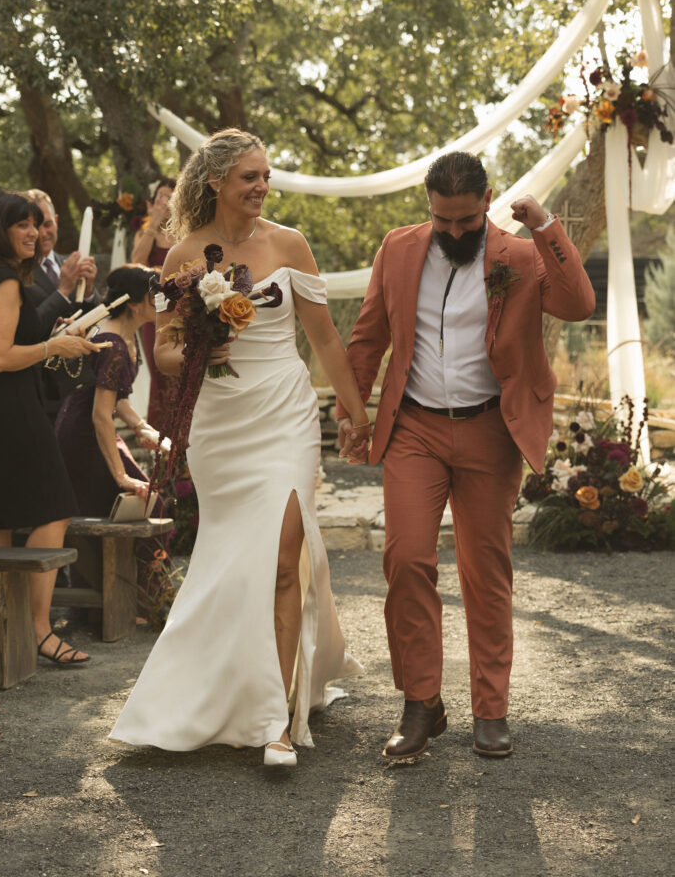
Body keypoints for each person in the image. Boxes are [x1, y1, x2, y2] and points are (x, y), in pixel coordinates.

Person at [109, 129, 368, 766]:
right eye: (248, 176)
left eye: (265, 175)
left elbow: (326, 341)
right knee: (233, 561)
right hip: (222, 423)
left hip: (284, 410)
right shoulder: (183, 255)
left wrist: (358, 413)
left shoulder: (290, 243)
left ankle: (276, 721)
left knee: (284, 557)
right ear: (215, 180)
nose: (260, 186)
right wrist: (200, 342)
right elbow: (164, 351)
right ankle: (212, 690)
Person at [336, 151, 596, 760]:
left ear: (487, 203)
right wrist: (353, 411)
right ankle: (421, 702)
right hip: (415, 430)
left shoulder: (523, 255)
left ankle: (491, 709)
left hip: (489, 431)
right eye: (442, 220)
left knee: (485, 573)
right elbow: (368, 335)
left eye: (465, 221)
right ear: (429, 207)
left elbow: (580, 303)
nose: (453, 232)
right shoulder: (398, 249)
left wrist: (546, 228)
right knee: (405, 559)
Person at [0, 190, 100, 666]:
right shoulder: (5, 282)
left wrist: (54, 336)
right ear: (1, 229)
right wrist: (54, 349)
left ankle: (5, 636)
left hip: (7, 408)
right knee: (55, 505)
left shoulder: (8, 279)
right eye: (22, 225)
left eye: (37, 224)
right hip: (12, 411)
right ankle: (38, 630)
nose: (34, 233)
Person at [55, 266, 165, 611]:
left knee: (146, 503)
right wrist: (120, 475)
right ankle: (145, 600)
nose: (161, 302)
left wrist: (141, 427)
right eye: (154, 297)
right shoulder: (114, 343)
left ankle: (126, 599)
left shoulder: (125, 335)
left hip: (91, 431)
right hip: (82, 439)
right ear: (134, 304)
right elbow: (100, 414)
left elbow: (116, 400)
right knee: (148, 502)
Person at [24, 189, 100, 421]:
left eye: (47, 224)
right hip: (43, 394)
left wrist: (88, 291)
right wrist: (63, 290)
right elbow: (28, 329)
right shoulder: (15, 272)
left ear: (56, 221)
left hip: (83, 384)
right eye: (35, 226)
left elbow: (95, 321)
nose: (42, 233)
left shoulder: (65, 262)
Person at [129, 179, 178, 432]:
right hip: (154, 313)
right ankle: (161, 439)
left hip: (182, 311)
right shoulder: (146, 230)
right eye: (159, 196)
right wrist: (153, 226)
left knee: (180, 373)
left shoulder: (185, 231)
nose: (162, 201)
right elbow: (136, 263)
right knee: (159, 371)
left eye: (168, 196)